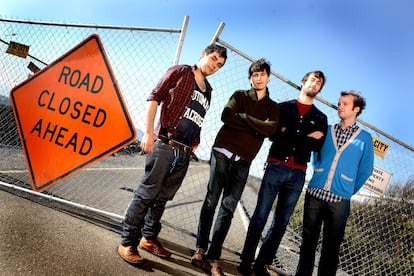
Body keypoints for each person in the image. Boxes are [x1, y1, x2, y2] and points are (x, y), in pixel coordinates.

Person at [117, 44, 227, 264]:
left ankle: (148, 238)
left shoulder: (209, 91)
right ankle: (127, 242)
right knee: (147, 194)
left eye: (220, 64)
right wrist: (148, 132)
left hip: (184, 152)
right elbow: (154, 98)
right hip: (165, 143)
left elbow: (197, 118)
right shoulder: (180, 71)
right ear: (203, 54)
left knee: (162, 198)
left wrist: (195, 141)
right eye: (213, 59)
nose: (215, 65)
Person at [191, 58, 280, 276]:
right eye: (254, 75)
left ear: (268, 77)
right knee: (211, 201)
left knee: (228, 208)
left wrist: (244, 118)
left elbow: (270, 131)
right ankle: (200, 249)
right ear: (251, 78)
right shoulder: (240, 95)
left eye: (262, 74)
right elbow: (226, 116)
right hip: (222, 152)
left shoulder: (273, 107)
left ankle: (213, 257)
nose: (258, 78)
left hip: (243, 161)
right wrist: (256, 127)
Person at [238, 70, 328, 276]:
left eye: (319, 83)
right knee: (260, 216)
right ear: (303, 82)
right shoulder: (284, 108)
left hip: (298, 174)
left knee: (281, 222)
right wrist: (304, 136)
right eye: (313, 80)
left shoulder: (320, 117)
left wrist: (291, 133)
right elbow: (274, 135)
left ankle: (261, 264)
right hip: (276, 166)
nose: (315, 84)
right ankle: (246, 261)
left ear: (320, 89)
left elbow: (317, 145)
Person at [295, 90, 374, 276]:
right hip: (315, 194)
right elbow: (316, 157)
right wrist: (319, 173)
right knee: (308, 243)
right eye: (339, 103)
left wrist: (347, 189)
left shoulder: (365, 138)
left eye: (345, 104)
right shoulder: (328, 130)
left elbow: (365, 170)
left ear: (355, 109)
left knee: (331, 250)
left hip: (339, 202)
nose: (340, 106)